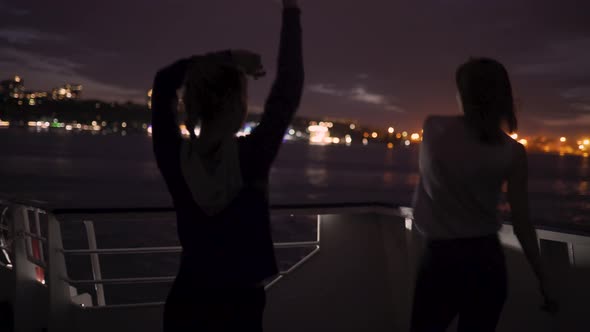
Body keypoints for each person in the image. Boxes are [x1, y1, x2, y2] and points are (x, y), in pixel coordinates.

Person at [150, 0, 303, 330]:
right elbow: (289, 86)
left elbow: (163, 81)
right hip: (240, 309)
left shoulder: (174, 158)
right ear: (238, 106)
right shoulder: (253, 156)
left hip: (187, 302)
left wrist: (229, 58)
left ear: (191, 104)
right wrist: (291, 9)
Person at [410, 58, 557, 332]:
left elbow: (429, 188)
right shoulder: (513, 152)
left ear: (464, 95)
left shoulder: (434, 128)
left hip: (442, 260)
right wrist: (543, 279)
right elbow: (523, 224)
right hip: (487, 262)